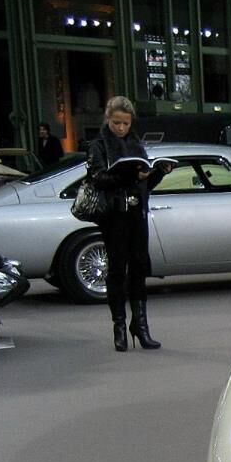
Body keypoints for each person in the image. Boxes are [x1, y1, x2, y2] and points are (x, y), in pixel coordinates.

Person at [85, 96, 172, 352]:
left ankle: (141, 326)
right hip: (113, 216)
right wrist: (126, 175)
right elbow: (96, 178)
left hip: (137, 214)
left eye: (125, 123)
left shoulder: (136, 144)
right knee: (116, 270)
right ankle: (119, 328)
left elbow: (145, 184)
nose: (121, 128)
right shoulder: (99, 145)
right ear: (107, 119)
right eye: (116, 123)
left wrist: (157, 173)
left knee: (139, 268)